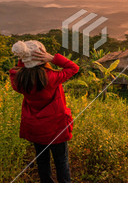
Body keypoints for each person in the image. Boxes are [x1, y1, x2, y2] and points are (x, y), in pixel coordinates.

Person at [9, 40, 79, 183]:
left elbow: (15, 69)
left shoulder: (18, 79)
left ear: (23, 59)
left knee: (42, 162)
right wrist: (52, 58)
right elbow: (73, 68)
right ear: (42, 56)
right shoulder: (52, 77)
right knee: (61, 162)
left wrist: (25, 60)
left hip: (36, 130)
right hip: (57, 129)